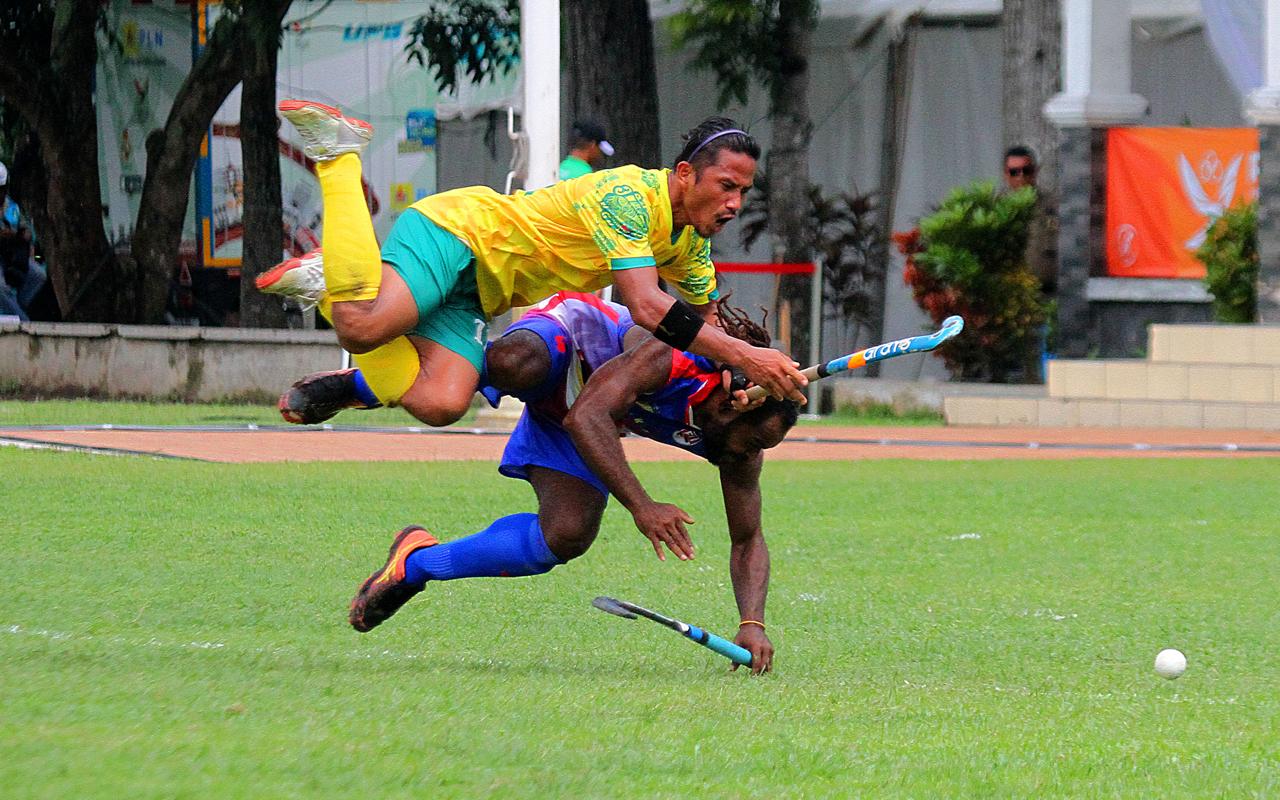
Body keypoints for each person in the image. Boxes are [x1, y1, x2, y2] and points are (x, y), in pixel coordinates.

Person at [255, 100, 806, 429]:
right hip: (464, 233)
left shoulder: (691, 247)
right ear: (685, 174)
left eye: (743, 191)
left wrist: (734, 377)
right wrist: (747, 356)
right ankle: (339, 158)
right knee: (361, 323)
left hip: (479, 293)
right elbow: (645, 305)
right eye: (726, 186)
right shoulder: (630, 196)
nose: (735, 203)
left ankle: (341, 294)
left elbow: (705, 324)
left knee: (443, 404)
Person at [347, 291, 798, 674]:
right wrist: (643, 506)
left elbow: (747, 538)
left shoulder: (736, 450)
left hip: (583, 413)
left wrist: (752, 624)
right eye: (753, 441)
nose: (749, 454)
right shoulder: (676, 356)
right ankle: (368, 384)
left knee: (565, 534)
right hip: (568, 343)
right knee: (514, 362)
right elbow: (588, 414)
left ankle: (416, 564)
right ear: (734, 407)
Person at [1002, 144, 1057, 296]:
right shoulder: (995, 208)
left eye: (1026, 171)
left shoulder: (1054, 206)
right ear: (1006, 175)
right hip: (1010, 295)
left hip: (1048, 292)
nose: (1021, 177)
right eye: (1014, 172)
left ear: (1035, 172)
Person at [0, 162, 47, 320]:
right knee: (1, 287)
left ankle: (16, 307)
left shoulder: (11, 207)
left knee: (38, 275)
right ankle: (21, 322)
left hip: (11, 257)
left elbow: (27, 231)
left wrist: (23, 234)